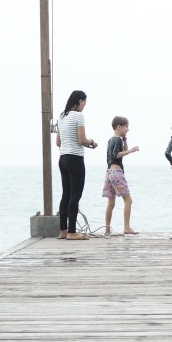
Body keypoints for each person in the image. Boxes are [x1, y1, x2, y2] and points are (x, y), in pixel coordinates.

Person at [55, 90, 98, 241]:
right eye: (85, 103)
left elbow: (58, 142)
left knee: (65, 193)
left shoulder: (62, 116)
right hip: (75, 159)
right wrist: (92, 142)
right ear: (80, 101)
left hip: (63, 158)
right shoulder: (79, 116)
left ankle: (63, 231)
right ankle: (72, 232)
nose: (84, 106)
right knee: (75, 194)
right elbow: (82, 140)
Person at [104, 116, 139, 236]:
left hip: (109, 173)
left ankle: (107, 230)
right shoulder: (117, 140)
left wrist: (125, 140)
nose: (128, 129)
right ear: (119, 127)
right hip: (117, 173)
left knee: (111, 203)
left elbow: (118, 153)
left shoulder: (111, 140)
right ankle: (127, 227)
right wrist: (132, 150)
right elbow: (117, 155)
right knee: (128, 200)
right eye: (126, 126)